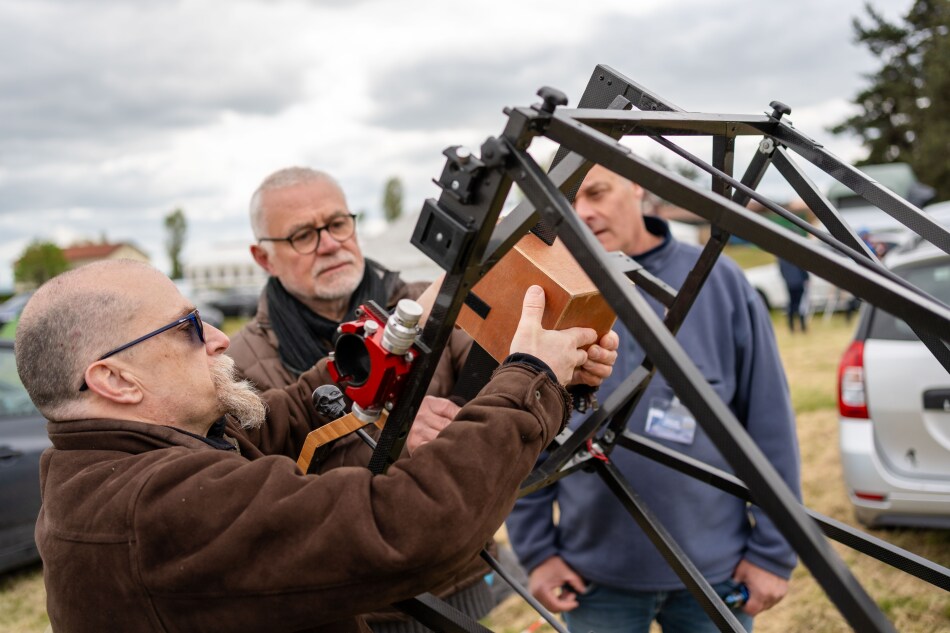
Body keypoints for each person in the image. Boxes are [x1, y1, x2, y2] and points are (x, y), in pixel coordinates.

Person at [14, 259, 617, 633]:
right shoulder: (152, 507)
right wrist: (533, 375)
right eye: (190, 328)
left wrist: (409, 329)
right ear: (115, 380)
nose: (219, 339)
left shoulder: (119, 463)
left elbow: (282, 419)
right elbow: (409, 529)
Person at [506, 165, 802, 633]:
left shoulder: (718, 282)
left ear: (636, 183)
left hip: (715, 574)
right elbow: (524, 428)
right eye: (569, 200)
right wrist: (538, 553)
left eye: (598, 192)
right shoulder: (549, 298)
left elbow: (769, 424)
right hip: (594, 578)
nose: (584, 211)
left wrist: (773, 552)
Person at [228, 166, 494, 628]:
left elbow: (494, 382)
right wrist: (398, 427)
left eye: (336, 223)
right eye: (302, 235)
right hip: (351, 606)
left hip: (457, 577)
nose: (329, 243)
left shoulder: (430, 305)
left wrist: (555, 369)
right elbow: (268, 501)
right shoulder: (239, 364)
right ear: (263, 257)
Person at [778, 258, 809, 333]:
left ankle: (792, 326)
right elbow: (802, 268)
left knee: (792, 304)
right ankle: (802, 326)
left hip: (790, 283)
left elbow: (781, 270)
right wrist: (806, 278)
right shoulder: (795, 254)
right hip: (798, 282)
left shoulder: (781, 257)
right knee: (800, 304)